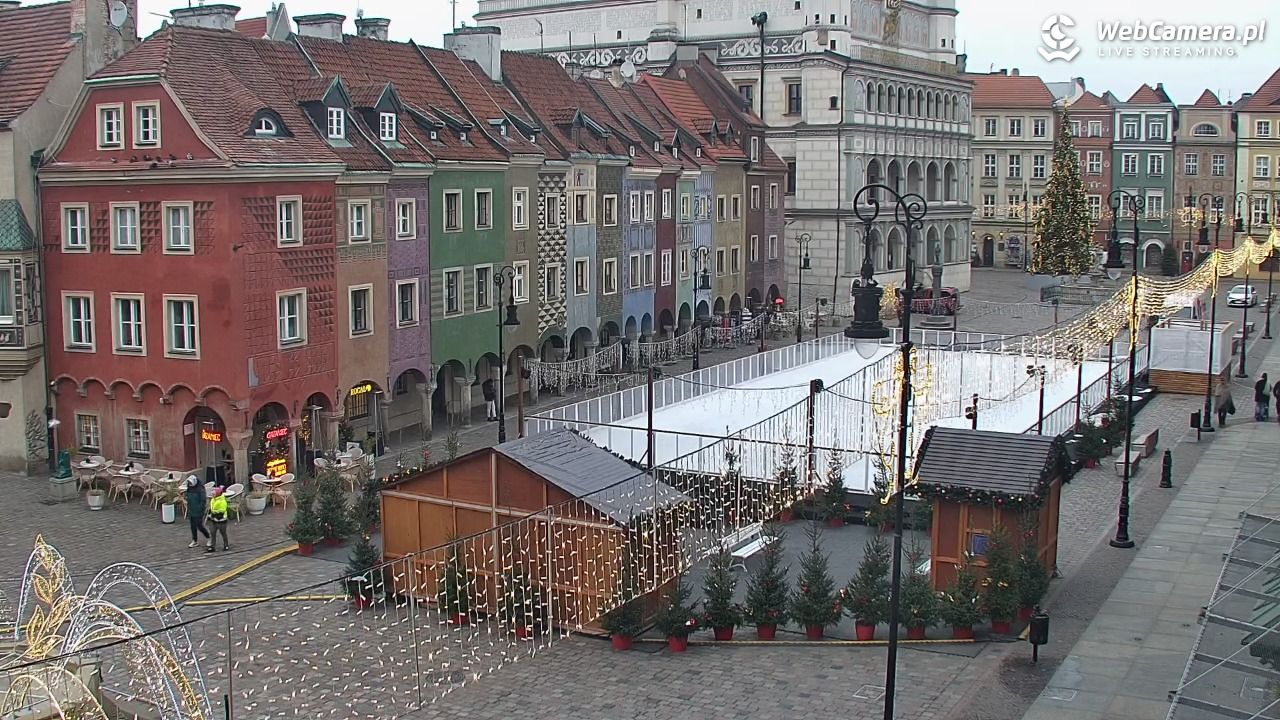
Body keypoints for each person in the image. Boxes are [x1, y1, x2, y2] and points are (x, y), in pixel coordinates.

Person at [184, 476, 210, 549]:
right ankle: (194, 540)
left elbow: (203, 500)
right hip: (191, 509)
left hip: (198, 511)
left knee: (199, 525)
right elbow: (188, 496)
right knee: (193, 526)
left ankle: (208, 537)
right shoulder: (189, 488)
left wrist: (200, 509)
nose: (189, 484)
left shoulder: (200, 489)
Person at [206, 487, 230, 552]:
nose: (212, 494)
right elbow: (212, 507)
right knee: (212, 533)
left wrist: (214, 512)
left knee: (223, 533)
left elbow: (222, 510)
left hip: (221, 520)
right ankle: (212, 546)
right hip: (213, 519)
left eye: (214, 493)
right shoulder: (213, 499)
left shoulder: (222, 501)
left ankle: (226, 545)